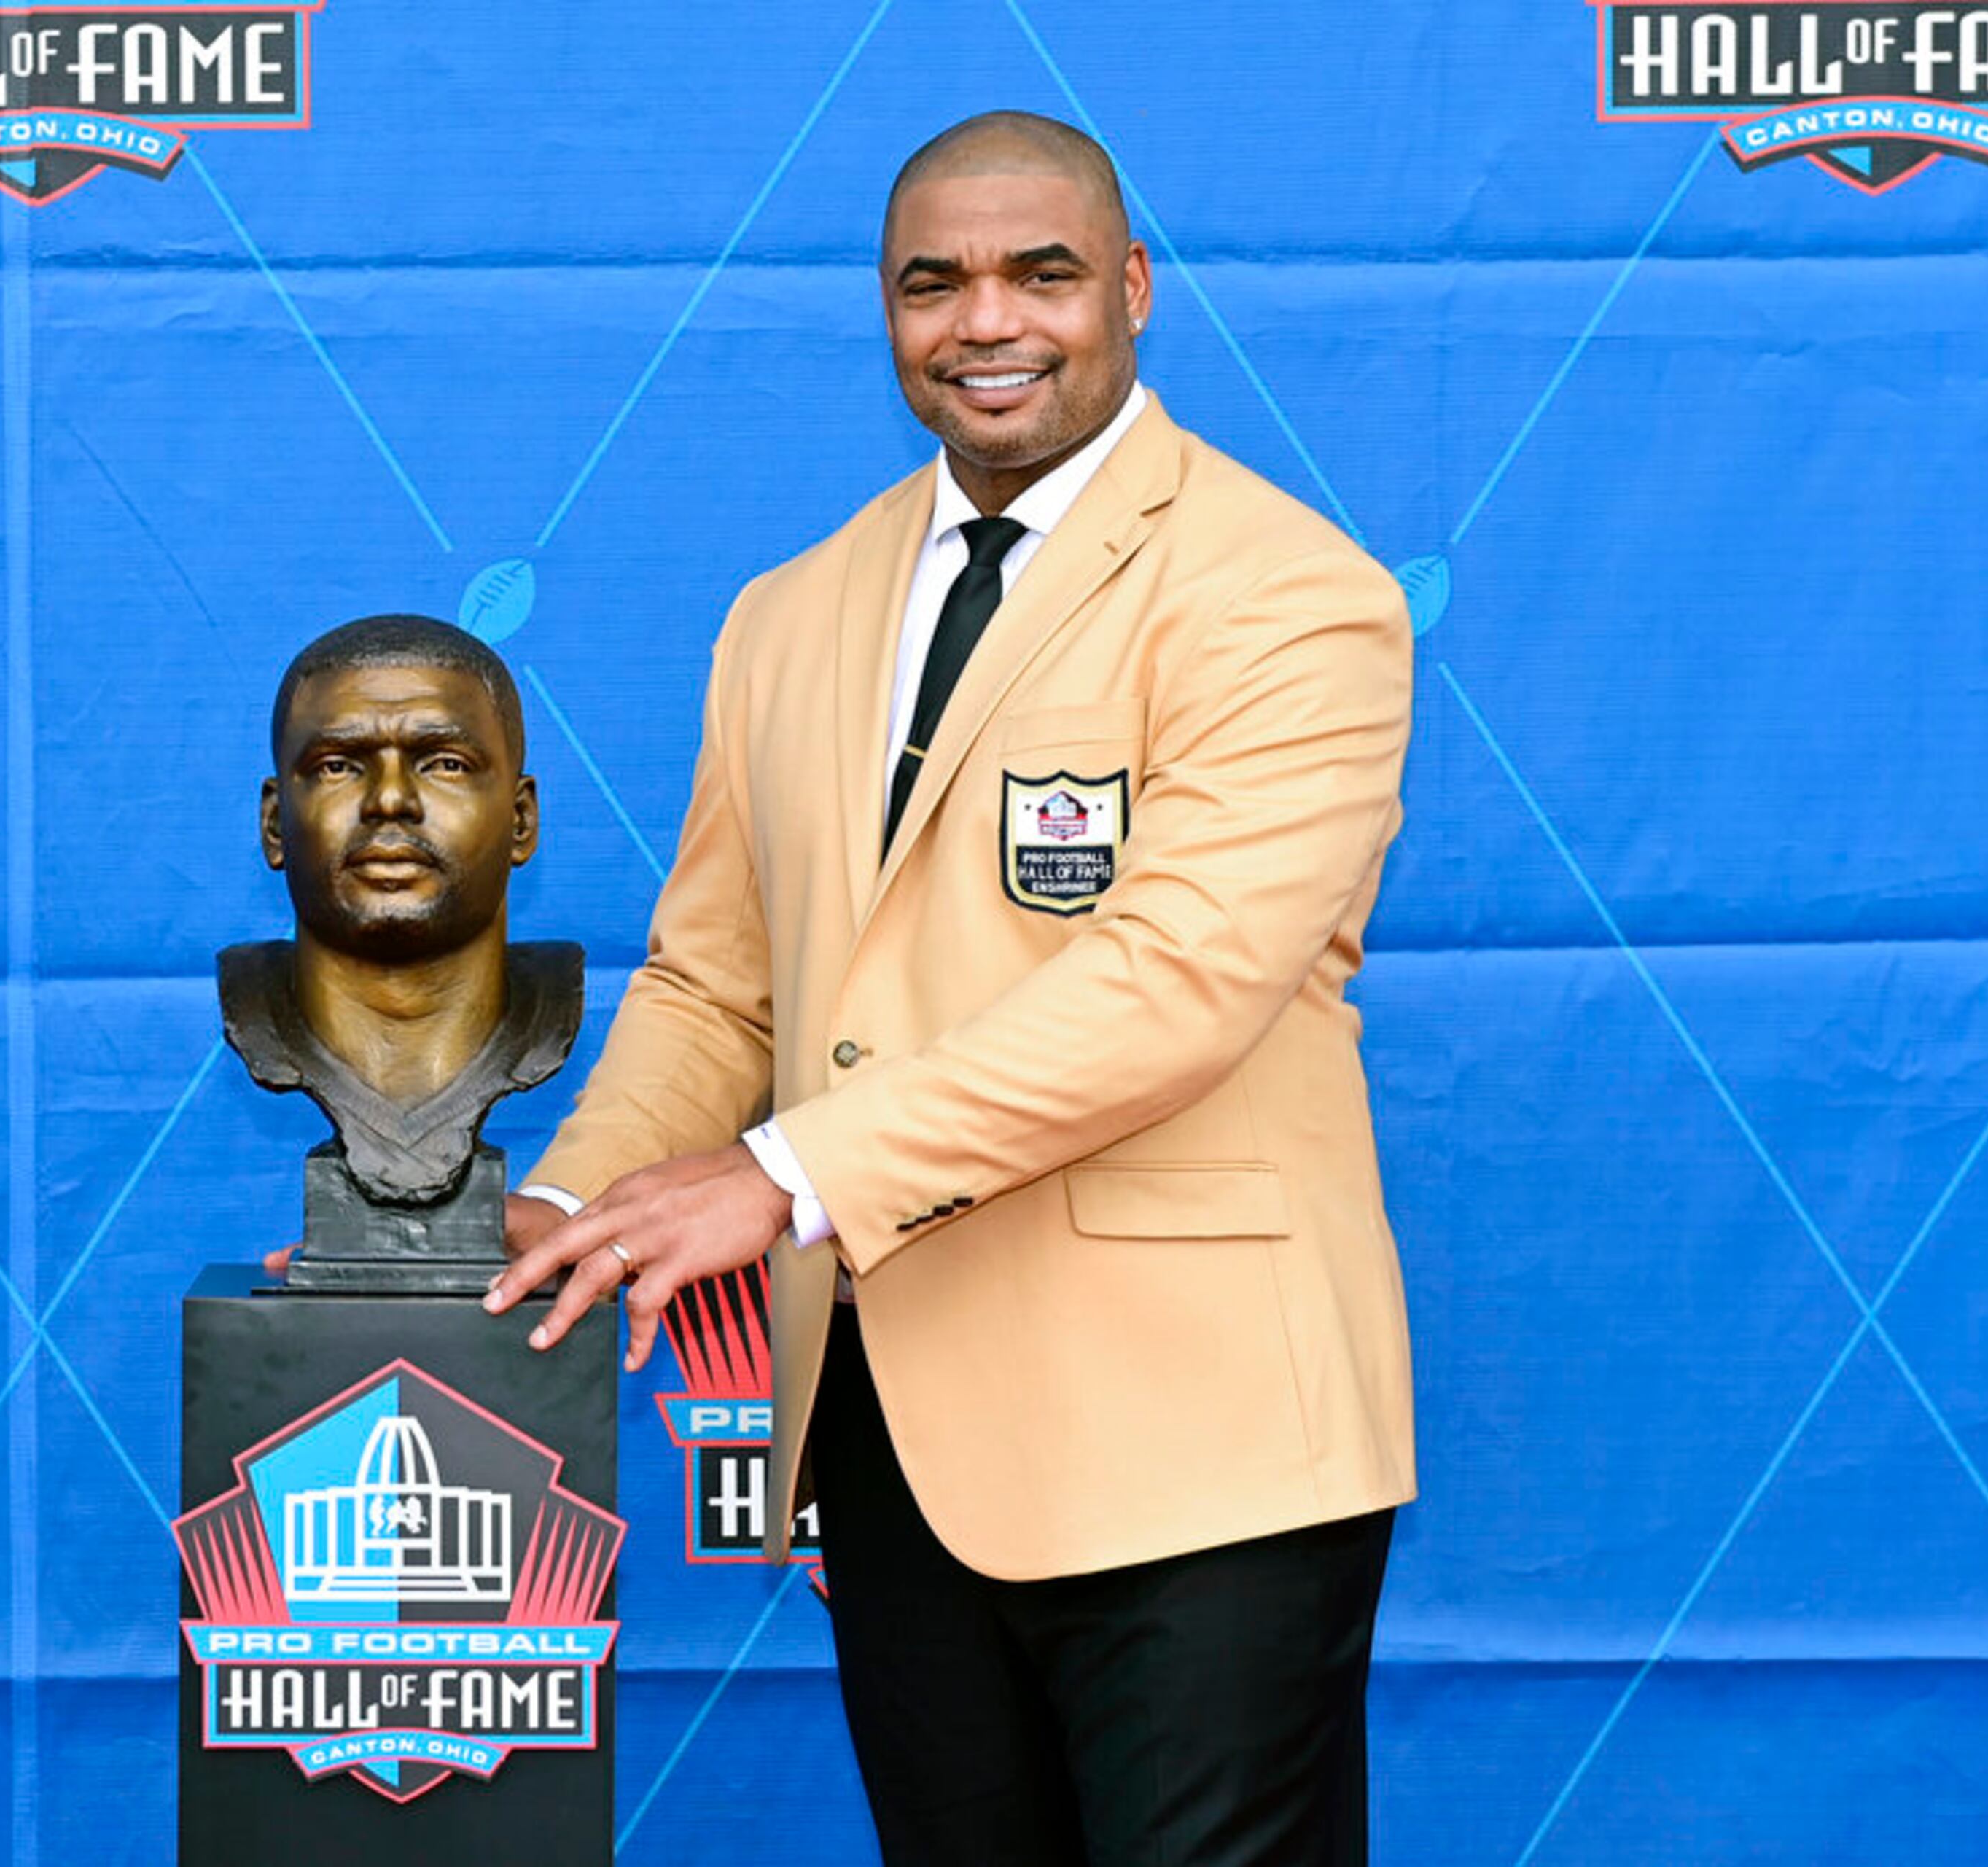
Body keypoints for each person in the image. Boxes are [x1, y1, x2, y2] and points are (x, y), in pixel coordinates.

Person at [487, 112, 1416, 1866]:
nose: (986, 318)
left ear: (1129, 291)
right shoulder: (788, 610)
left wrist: (775, 1175)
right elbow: (715, 990)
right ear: (888, 311)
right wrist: (557, 1209)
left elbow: (1177, 982)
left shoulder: (1290, 592)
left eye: (1040, 273)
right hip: (887, 1435)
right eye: (935, 281)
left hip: (1203, 1454)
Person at [230, 614, 579, 1209]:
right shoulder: (257, 1014)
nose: (390, 799)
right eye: (338, 765)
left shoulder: (547, 1017)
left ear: (521, 820)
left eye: (444, 763)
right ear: (274, 824)